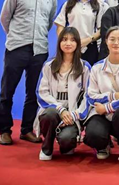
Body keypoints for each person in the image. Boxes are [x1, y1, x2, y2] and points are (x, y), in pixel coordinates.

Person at [0, 0, 58, 145]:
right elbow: (4, 18)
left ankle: (26, 130)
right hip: (16, 48)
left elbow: (49, 22)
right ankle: (4, 130)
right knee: (7, 91)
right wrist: (15, 36)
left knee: (33, 93)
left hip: (39, 50)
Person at [83, 26, 119, 165]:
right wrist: (113, 96)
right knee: (93, 134)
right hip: (100, 114)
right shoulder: (97, 67)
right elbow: (91, 96)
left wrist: (107, 107)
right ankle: (103, 144)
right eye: (112, 39)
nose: (116, 43)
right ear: (106, 41)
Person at [34, 27, 90, 161]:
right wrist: (60, 109)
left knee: (67, 140)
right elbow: (42, 93)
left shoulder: (85, 67)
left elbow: (88, 96)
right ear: (59, 43)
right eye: (64, 40)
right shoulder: (49, 66)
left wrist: (74, 115)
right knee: (49, 114)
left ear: (78, 43)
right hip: (53, 109)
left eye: (72, 40)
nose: (68, 43)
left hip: (72, 114)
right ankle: (46, 147)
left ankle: (67, 144)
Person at [54, 0, 104, 67]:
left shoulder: (98, 6)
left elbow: (100, 30)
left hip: (90, 47)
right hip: (70, 48)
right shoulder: (68, 4)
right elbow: (60, 26)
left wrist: (87, 40)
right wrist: (66, 41)